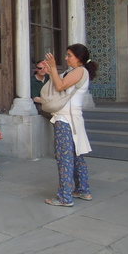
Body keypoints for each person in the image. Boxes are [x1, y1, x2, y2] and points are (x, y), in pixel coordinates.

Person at [42, 44, 98, 207]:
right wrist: (51, 71)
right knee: (76, 156)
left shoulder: (80, 71)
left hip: (66, 119)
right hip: (71, 118)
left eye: (69, 55)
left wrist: (53, 67)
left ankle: (64, 197)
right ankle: (82, 189)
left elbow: (59, 87)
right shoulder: (75, 72)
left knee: (64, 158)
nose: (66, 58)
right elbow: (61, 84)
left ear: (79, 58)